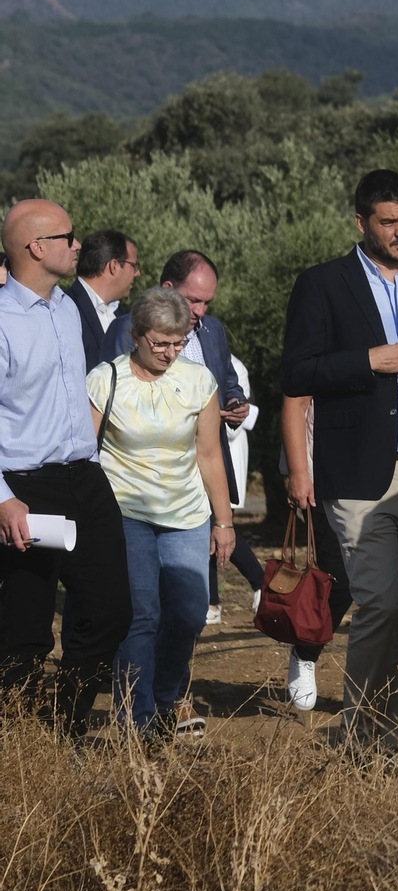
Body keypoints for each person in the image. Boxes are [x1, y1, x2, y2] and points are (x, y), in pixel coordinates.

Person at [281, 169, 398, 749]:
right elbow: (296, 373)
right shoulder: (323, 284)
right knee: (381, 602)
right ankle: (360, 733)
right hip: (360, 475)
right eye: (389, 222)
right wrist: (366, 361)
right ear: (361, 222)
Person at [0, 200, 132, 737]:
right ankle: (21, 749)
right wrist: (3, 499)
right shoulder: (2, 320)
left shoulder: (66, 309)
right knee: (24, 629)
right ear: (36, 247)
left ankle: (63, 726)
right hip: (26, 488)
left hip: (85, 476)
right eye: (68, 236)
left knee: (111, 611)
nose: (78, 244)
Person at [89, 287, 235, 738]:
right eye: (160, 343)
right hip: (125, 511)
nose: (170, 353)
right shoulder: (104, 380)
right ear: (135, 336)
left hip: (187, 513)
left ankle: (168, 695)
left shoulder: (198, 380)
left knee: (191, 612)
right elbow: (84, 454)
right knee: (143, 613)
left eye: (178, 343)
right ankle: (137, 719)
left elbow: (210, 454)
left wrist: (224, 521)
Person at [104, 250, 251, 576]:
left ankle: (203, 607)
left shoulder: (213, 329)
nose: (200, 311)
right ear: (168, 287)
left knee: (190, 593)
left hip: (202, 461)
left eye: (207, 302)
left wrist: (234, 401)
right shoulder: (127, 329)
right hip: (142, 481)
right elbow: (112, 395)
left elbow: (226, 376)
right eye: (193, 300)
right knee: (146, 597)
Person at [280, 394, 355, 711]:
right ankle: (306, 651)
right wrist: (298, 472)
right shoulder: (319, 345)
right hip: (322, 476)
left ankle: (379, 684)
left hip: (381, 470)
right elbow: (294, 401)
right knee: (337, 578)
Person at [212, 354, 266, 620]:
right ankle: (211, 603)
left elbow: (236, 424)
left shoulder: (235, 367)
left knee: (219, 524)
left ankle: (260, 581)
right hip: (199, 459)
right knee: (206, 528)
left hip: (223, 458)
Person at [66, 229, 140, 372]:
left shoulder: (122, 314)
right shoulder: (66, 308)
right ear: (114, 266)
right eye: (134, 266)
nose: (137, 273)